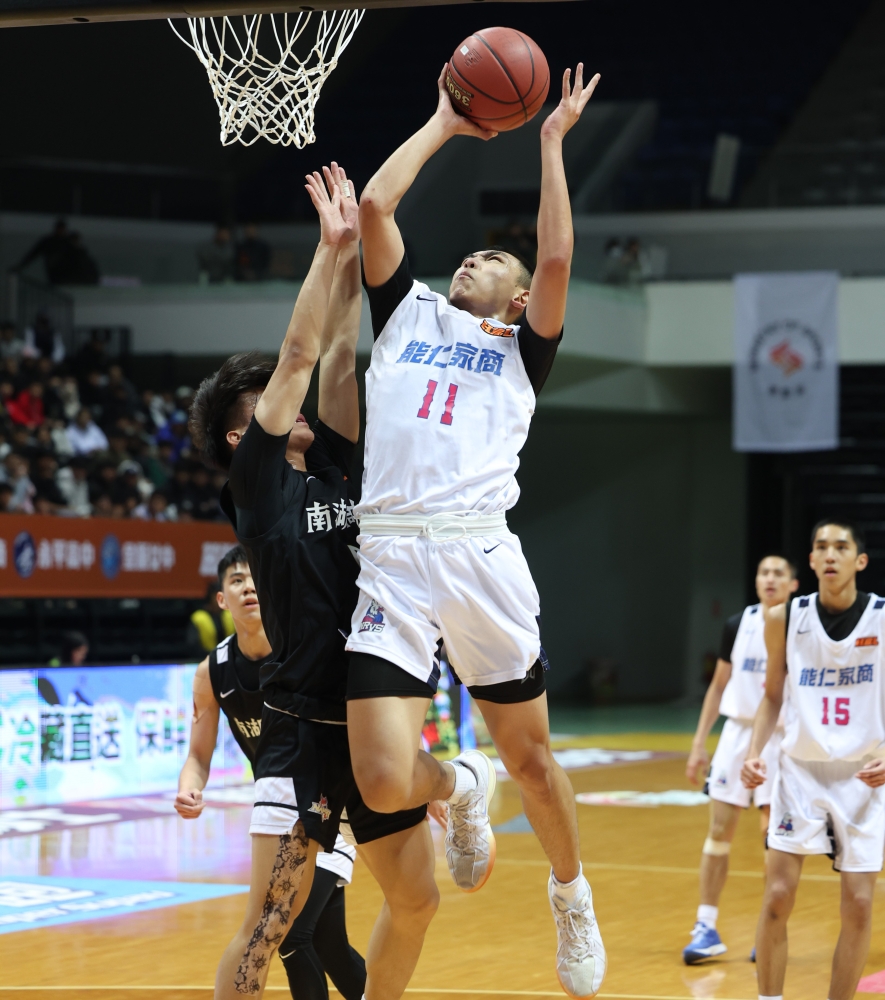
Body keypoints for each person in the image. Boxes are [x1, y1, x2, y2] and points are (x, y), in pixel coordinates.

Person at [351, 63, 605, 997]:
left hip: (476, 553)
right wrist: (445, 122)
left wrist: (550, 144)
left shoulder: (521, 351)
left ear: (515, 297)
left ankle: (570, 894)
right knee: (383, 782)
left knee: (533, 761)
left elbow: (556, 260)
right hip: (388, 556)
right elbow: (374, 206)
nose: (471, 261)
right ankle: (458, 785)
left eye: (491, 261)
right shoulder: (405, 311)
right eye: (468, 256)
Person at [189, 163, 436, 1000]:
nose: (287, 404)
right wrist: (328, 249)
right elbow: (298, 353)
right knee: (268, 928)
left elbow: (333, 360)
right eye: (264, 404)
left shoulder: (330, 465)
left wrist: (353, 257)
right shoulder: (258, 484)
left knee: (417, 899)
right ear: (239, 438)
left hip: (370, 718)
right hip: (300, 731)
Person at [176, 546, 366, 1000]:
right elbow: (197, 755)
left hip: (333, 799)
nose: (248, 587)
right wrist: (189, 789)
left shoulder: (301, 651)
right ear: (221, 599)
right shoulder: (212, 672)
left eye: (255, 578)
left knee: (292, 933)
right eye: (236, 581)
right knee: (325, 942)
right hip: (283, 809)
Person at [742, 520, 885, 1000]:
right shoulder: (783, 617)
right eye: (821, 546)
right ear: (811, 560)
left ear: (859, 560)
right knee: (778, 895)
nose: (830, 554)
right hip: (800, 773)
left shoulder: (882, 618)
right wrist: (753, 752)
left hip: (863, 776)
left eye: (841, 547)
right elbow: (772, 695)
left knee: (859, 905)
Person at [683, 555, 799, 964]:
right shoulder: (738, 624)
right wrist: (699, 743)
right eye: (764, 572)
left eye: (779, 573)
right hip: (737, 735)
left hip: (781, 737)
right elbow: (718, 686)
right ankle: (705, 926)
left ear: (793, 584)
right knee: (719, 831)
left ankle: (771, 926)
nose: (770, 579)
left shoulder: (801, 625)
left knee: (774, 838)